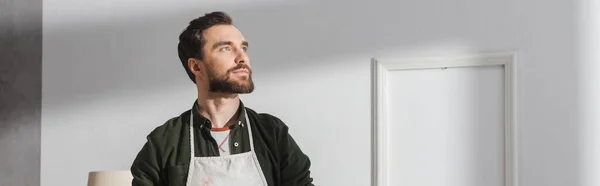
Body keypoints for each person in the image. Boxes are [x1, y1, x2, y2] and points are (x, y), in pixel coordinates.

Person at [130, 11, 314, 186]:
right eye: (226, 48)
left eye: (243, 48)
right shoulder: (164, 143)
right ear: (196, 67)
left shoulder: (272, 134)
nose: (242, 58)